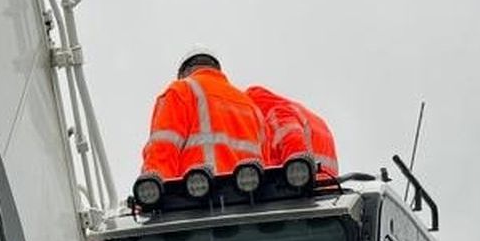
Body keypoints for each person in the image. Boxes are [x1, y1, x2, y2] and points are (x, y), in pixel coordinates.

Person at [138, 48, 267, 181]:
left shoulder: (181, 90)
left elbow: (163, 150)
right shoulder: (250, 104)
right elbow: (266, 161)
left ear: (185, 72)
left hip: (199, 194)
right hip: (248, 195)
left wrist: (153, 192)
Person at [245, 84, 339, 179]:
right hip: (328, 188)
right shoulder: (314, 119)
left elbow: (296, 158)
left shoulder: (276, 114)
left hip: (303, 189)